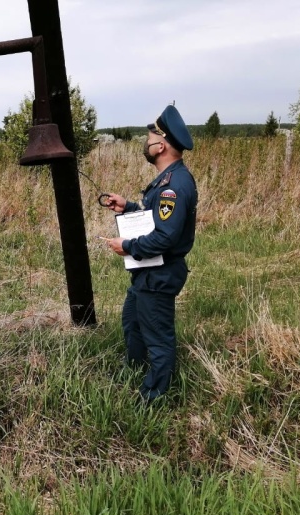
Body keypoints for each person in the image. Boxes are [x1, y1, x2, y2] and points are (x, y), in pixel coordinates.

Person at [101, 104, 198, 403]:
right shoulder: (166, 180)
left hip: (159, 272)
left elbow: (165, 236)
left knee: (157, 335)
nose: (146, 143)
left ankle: (154, 397)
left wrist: (127, 246)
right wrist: (129, 207)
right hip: (148, 272)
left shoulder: (174, 185)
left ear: (161, 145)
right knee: (133, 322)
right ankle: (136, 371)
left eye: (149, 138)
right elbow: (157, 218)